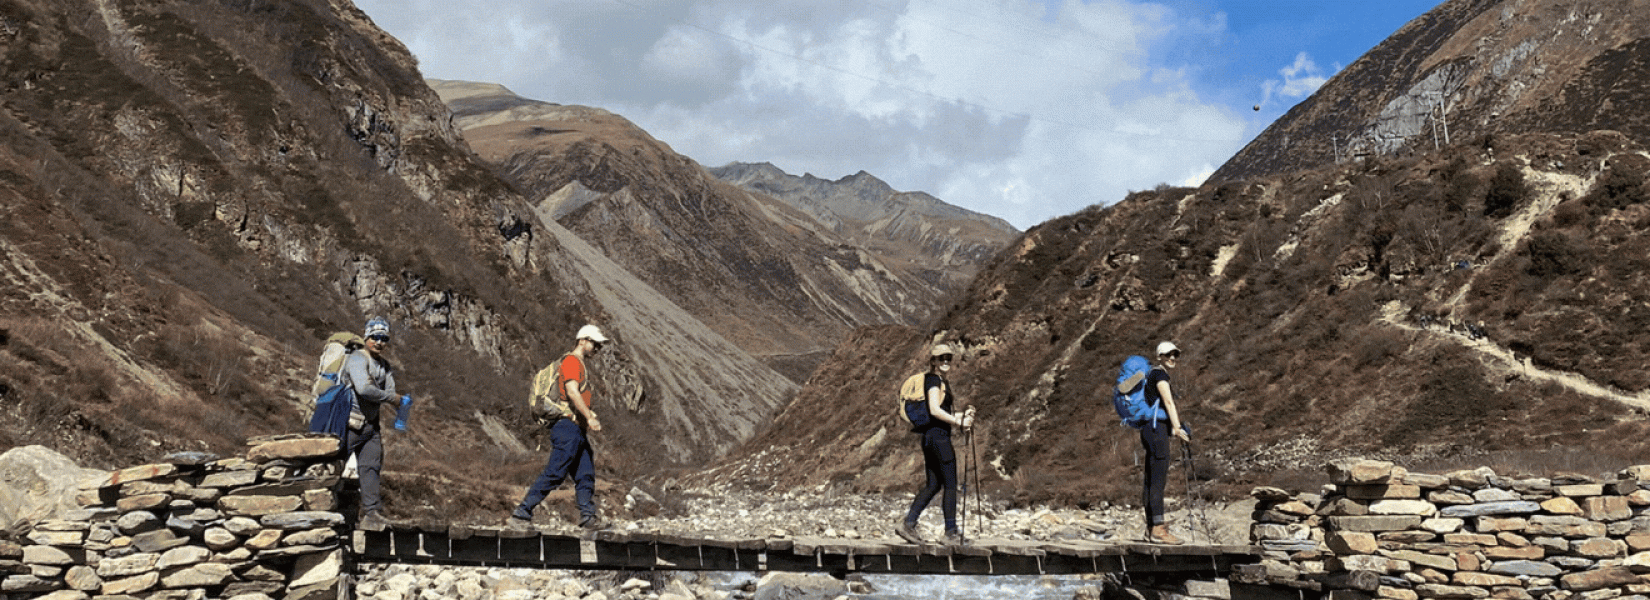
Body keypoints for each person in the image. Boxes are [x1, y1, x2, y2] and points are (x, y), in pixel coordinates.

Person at [510, 324, 612, 531]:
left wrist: (587, 416)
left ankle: (588, 517)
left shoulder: (579, 364)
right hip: (567, 426)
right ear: (582, 340)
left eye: (599, 345)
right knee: (556, 471)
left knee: (585, 473)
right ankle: (522, 512)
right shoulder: (572, 361)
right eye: (594, 343)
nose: (597, 348)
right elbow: (572, 392)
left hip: (576, 428)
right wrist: (589, 417)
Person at [895, 343, 974, 545]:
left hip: (930, 437)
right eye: (941, 358)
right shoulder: (933, 381)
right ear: (933, 361)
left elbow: (938, 413)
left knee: (933, 484)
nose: (946, 361)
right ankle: (950, 533)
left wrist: (961, 417)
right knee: (950, 484)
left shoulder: (937, 381)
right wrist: (958, 421)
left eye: (948, 357)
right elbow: (934, 410)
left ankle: (908, 523)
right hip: (939, 438)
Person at [343, 317, 399, 531]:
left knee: (372, 467)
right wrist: (392, 399)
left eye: (384, 338)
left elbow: (390, 391)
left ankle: (371, 512)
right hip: (349, 421)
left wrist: (393, 398)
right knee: (334, 466)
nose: (379, 342)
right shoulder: (358, 358)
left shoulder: (384, 366)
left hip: (371, 425)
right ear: (366, 337)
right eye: (375, 337)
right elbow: (364, 389)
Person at [1141, 341, 1190, 544]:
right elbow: (1168, 402)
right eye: (1168, 354)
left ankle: (1151, 527)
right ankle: (1158, 530)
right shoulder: (1160, 375)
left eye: (1175, 355)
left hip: (1148, 429)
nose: (1172, 358)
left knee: (1150, 479)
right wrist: (1177, 428)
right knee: (1158, 479)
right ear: (1160, 356)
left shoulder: (1149, 375)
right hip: (1156, 430)